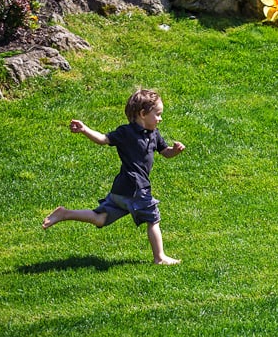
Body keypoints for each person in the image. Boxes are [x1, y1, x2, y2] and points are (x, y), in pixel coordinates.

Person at [42, 89, 186, 265]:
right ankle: (160, 257)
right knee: (153, 218)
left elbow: (165, 152)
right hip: (136, 188)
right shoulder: (126, 132)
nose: (160, 119)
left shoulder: (154, 134)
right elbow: (103, 139)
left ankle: (65, 214)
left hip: (120, 191)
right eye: (157, 114)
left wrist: (175, 151)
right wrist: (84, 129)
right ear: (142, 114)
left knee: (100, 219)